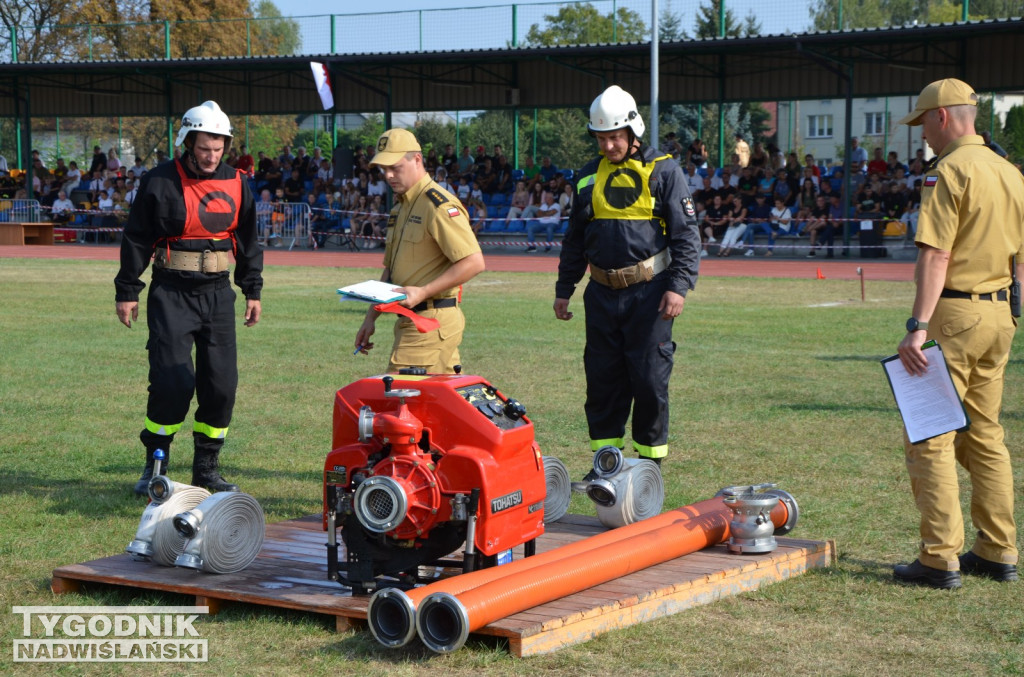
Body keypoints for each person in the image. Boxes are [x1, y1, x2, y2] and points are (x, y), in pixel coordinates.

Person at [893, 78, 1023, 589]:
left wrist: (917, 326)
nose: (923, 133)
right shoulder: (1009, 171)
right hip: (999, 316)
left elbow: (937, 254)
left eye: (923, 121)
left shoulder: (948, 172)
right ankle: (998, 548)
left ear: (942, 117)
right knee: (987, 435)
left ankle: (939, 558)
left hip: (954, 315)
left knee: (931, 435)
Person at [114, 100, 263, 496]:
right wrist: (128, 289)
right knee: (172, 380)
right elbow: (137, 237)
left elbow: (248, 239)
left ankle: (206, 468)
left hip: (218, 294)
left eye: (218, 149)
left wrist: (252, 289)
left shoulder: (236, 182)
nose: (212, 157)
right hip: (171, 292)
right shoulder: (159, 180)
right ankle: (156, 463)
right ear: (187, 142)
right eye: (203, 149)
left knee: (221, 384)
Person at [554, 85, 700, 467]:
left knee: (649, 380)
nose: (607, 146)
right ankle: (607, 460)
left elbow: (686, 236)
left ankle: (650, 466)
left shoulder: (665, 171)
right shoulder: (586, 177)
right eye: (601, 138)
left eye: (614, 138)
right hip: (600, 294)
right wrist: (564, 288)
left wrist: (679, 288)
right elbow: (575, 239)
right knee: (603, 381)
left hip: (650, 295)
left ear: (632, 133)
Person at [353, 128, 485, 373]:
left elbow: (474, 262)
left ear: (417, 160)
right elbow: (391, 271)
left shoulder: (437, 205)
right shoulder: (400, 207)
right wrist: (370, 318)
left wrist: (423, 291)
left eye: (395, 167)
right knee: (435, 406)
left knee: (402, 401)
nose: (389, 175)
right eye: (384, 169)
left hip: (429, 322)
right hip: (415, 322)